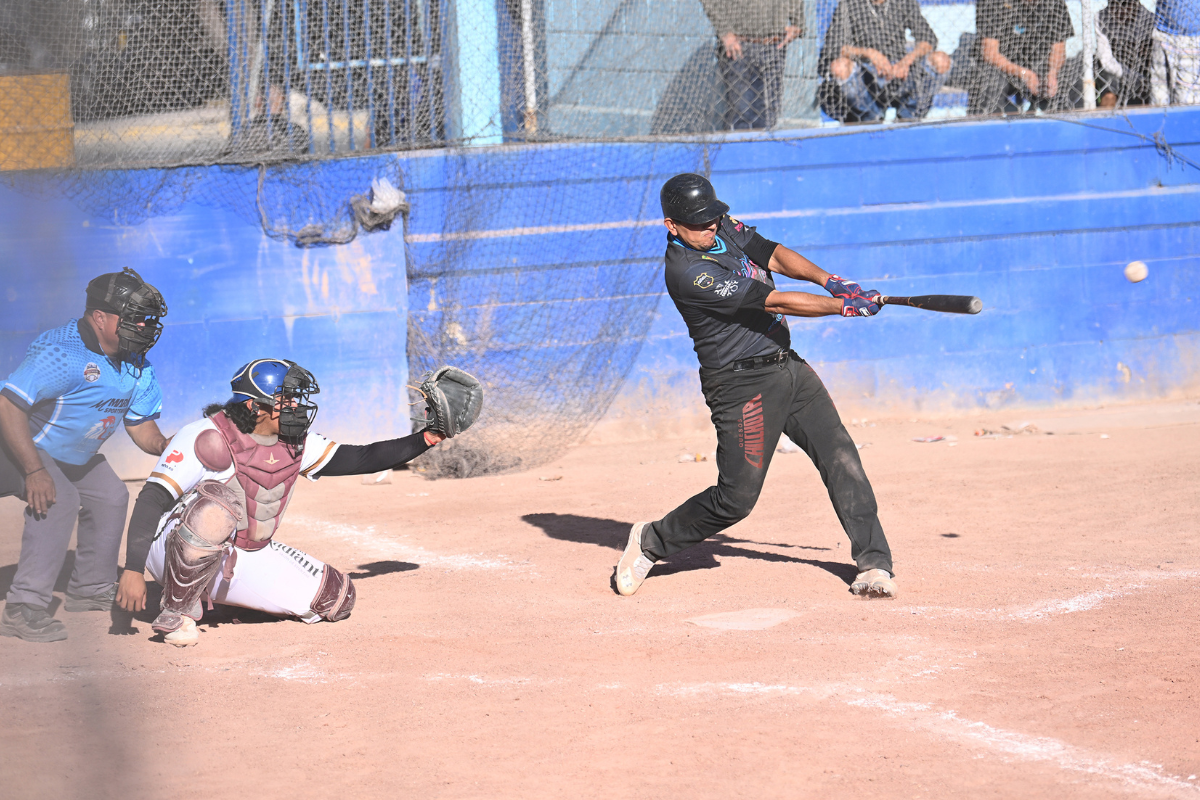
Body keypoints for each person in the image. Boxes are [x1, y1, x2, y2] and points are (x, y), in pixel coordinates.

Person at [615, 173, 896, 599]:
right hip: (741, 386)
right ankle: (651, 540)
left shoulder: (718, 225)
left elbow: (773, 255)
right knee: (736, 500)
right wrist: (844, 308)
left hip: (788, 367)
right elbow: (775, 300)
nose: (711, 228)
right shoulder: (689, 272)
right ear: (672, 225)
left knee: (840, 455)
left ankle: (874, 563)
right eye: (699, 224)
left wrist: (830, 280)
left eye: (714, 219)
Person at [115, 359, 481, 647]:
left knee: (337, 599)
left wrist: (428, 437)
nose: (297, 408)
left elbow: (362, 458)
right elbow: (151, 499)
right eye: (287, 401)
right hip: (170, 547)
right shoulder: (205, 437)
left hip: (243, 553)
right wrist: (132, 569)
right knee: (218, 506)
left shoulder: (295, 442)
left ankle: (225, 600)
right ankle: (177, 612)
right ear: (255, 407)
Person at [0, 268, 170, 643]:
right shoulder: (61, 352)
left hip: (69, 455)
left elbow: (141, 427)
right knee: (58, 500)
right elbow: (8, 405)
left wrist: (165, 446)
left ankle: (90, 589)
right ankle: (22, 607)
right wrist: (33, 471)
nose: (143, 326)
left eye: (148, 319)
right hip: (17, 446)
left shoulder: (137, 364)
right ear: (100, 317)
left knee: (111, 495)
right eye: (134, 317)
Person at [817, 0, 952, 123]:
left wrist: (907, 60)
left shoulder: (904, 2)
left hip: (900, 71)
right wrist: (869, 53)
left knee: (941, 60)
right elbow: (833, 47)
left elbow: (929, 39)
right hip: (866, 75)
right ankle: (869, 118)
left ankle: (909, 117)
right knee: (839, 67)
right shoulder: (850, 4)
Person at [699, 0, 806, 129]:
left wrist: (798, 22)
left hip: (774, 45)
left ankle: (764, 148)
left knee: (769, 117)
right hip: (738, 47)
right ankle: (738, 148)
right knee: (742, 115)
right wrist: (725, 32)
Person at [967, 0, 1081, 115]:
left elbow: (1059, 49)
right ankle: (988, 127)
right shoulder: (992, 3)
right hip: (1002, 68)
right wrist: (1024, 74)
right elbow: (990, 53)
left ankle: (1065, 126)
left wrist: (1052, 73)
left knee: (1072, 75)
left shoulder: (1054, 3)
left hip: (1040, 65)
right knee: (988, 79)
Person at [1094, 0, 1155, 108]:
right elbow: (1106, 61)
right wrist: (1135, 79)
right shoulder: (1101, 17)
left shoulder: (1150, 20)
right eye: (1114, 5)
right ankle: (1106, 121)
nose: (1120, 10)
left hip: (1143, 76)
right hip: (1114, 73)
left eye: (1125, 4)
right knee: (1109, 93)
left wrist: (1144, 82)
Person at [1150, 0, 1200, 106]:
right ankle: (1160, 122)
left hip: (1192, 38)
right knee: (1158, 97)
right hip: (1162, 32)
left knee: (1187, 100)